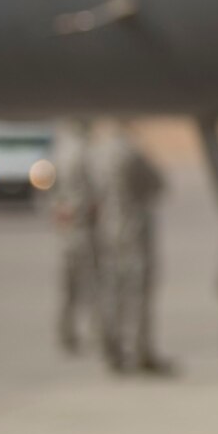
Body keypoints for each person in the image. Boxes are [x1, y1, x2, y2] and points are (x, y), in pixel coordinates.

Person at [93, 121, 173, 376]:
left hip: (107, 229)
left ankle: (111, 349)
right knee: (137, 293)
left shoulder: (97, 153)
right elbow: (158, 185)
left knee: (111, 290)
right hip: (133, 230)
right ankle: (140, 352)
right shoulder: (131, 153)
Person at [50, 118, 98, 355]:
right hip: (84, 228)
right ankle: (96, 333)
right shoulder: (85, 152)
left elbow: (51, 192)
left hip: (67, 229)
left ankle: (66, 333)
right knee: (92, 284)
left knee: (68, 287)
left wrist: (59, 210)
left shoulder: (60, 152)